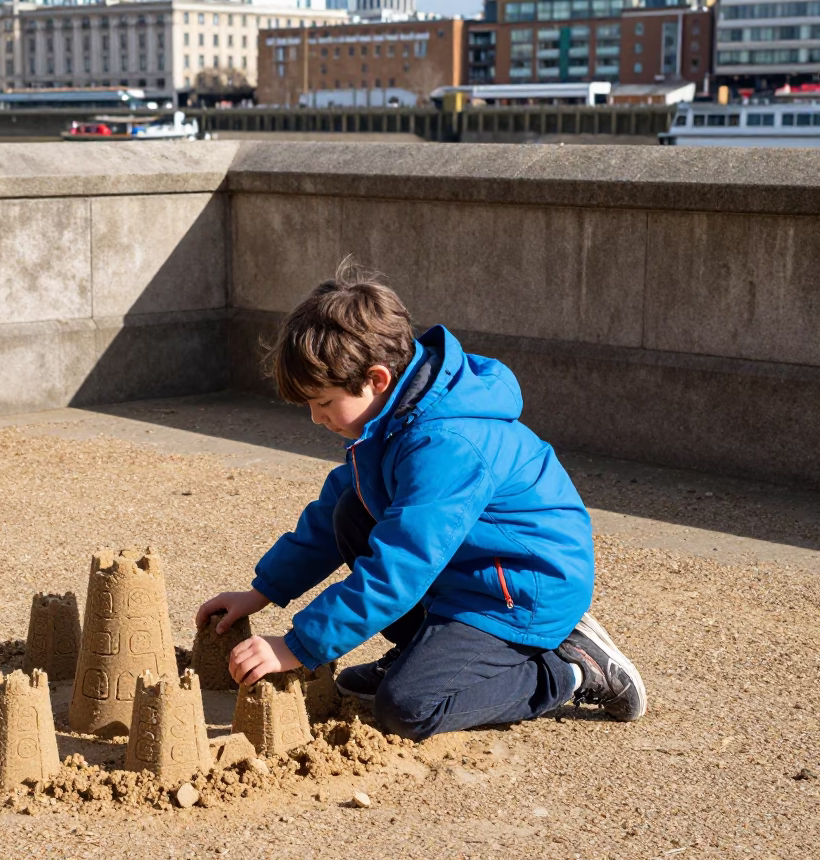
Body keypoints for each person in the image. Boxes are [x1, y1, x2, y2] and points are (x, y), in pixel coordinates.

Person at [195, 263, 646, 740]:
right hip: (471, 571)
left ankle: (571, 669)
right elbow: (329, 517)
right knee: (351, 510)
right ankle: (419, 652)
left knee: (407, 708)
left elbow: (402, 564)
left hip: (521, 591)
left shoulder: (447, 444)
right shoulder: (395, 417)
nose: (315, 418)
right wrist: (262, 591)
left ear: (376, 379)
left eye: (323, 403)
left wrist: (299, 645)